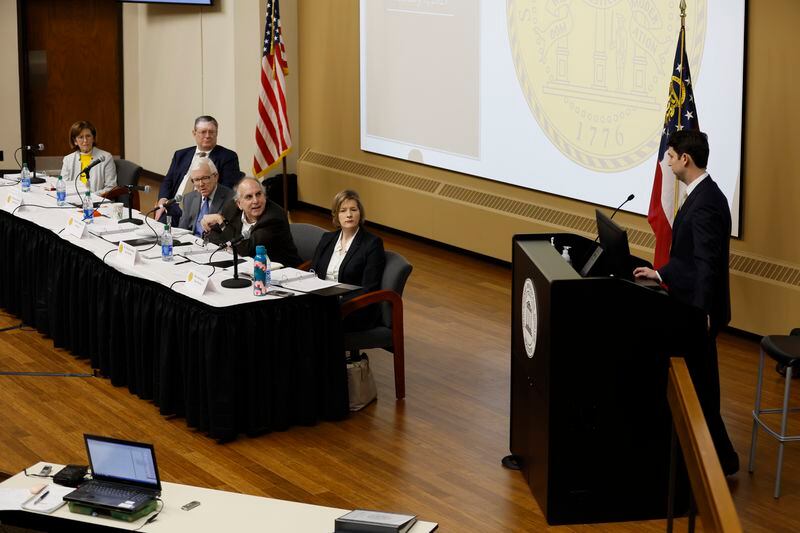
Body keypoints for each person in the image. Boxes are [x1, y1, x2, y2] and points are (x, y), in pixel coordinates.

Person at [633, 129, 739, 475]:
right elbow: (688, 259)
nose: (666, 161)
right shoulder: (700, 195)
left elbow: (707, 264)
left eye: (670, 155)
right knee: (702, 386)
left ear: (685, 159)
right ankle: (719, 458)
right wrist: (660, 274)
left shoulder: (706, 202)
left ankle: (721, 460)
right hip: (692, 305)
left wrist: (704, 312)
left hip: (697, 312)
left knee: (704, 389)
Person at [311, 190, 385, 332]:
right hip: (323, 303)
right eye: (343, 211)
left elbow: (369, 288)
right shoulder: (327, 239)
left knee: (312, 322)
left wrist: (336, 302)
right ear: (336, 216)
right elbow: (313, 273)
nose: (349, 215)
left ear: (360, 213)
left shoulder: (372, 243)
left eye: (353, 210)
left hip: (353, 308)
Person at [156, 115, 240, 222]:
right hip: (174, 205)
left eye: (211, 132)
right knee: (158, 231)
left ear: (217, 133)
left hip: (199, 209)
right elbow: (168, 180)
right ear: (194, 133)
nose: (207, 136)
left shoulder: (228, 157)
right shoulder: (181, 154)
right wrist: (162, 200)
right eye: (203, 132)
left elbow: (226, 190)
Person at [202, 177, 301, 267]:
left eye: (258, 194)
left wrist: (221, 222)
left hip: (279, 273)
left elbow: (247, 250)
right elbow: (214, 234)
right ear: (239, 204)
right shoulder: (232, 207)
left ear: (265, 196)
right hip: (243, 266)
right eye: (249, 197)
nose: (255, 201)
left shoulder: (274, 217)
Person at [177, 158, 234, 237]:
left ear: (216, 177)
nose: (201, 184)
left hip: (215, 245)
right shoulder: (189, 198)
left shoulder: (231, 199)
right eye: (196, 180)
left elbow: (231, 234)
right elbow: (181, 230)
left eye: (205, 178)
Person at [60, 120, 117, 195]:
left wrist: (90, 197)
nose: (85, 140)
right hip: (73, 200)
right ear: (75, 141)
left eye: (88, 136)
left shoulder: (106, 157)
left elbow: (111, 187)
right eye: (80, 137)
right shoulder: (68, 159)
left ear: (93, 138)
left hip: (97, 201)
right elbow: (63, 185)